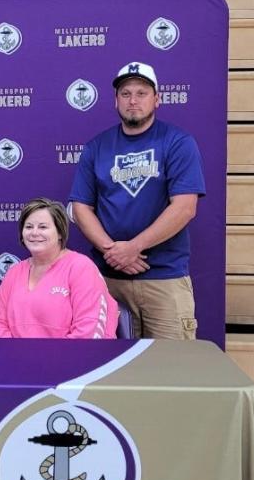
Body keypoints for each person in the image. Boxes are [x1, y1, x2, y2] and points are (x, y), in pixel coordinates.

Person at [68, 61, 205, 339]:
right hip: (108, 278)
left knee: (172, 368)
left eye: (142, 93)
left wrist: (134, 248)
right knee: (108, 371)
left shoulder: (177, 141)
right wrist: (114, 251)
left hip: (163, 278)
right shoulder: (97, 146)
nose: (133, 100)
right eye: (126, 93)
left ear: (157, 99)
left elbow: (184, 208)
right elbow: (81, 207)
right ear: (116, 100)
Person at [0, 198, 117, 339]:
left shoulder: (81, 268)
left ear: (60, 233)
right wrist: (14, 354)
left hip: (71, 358)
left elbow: (88, 330)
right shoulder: (14, 272)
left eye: (43, 227)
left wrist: (52, 358)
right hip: (16, 358)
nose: (34, 232)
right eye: (29, 227)